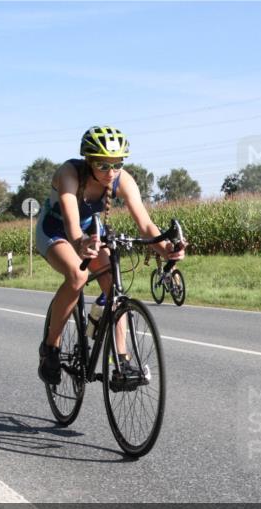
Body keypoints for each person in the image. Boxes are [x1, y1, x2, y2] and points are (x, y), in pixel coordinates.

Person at [37, 126, 184, 384]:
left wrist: (168, 249)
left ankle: (122, 362)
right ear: (88, 161)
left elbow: (146, 226)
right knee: (77, 275)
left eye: (116, 164)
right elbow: (72, 228)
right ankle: (50, 348)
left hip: (90, 231)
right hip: (56, 230)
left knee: (114, 289)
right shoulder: (69, 174)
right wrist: (81, 244)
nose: (111, 172)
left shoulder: (123, 180)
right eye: (103, 166)